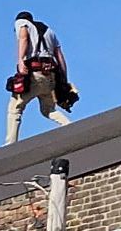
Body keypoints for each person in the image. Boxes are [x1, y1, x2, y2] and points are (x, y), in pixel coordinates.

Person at [5, 13, 72, 145]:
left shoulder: (22, 22)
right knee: (48, 110)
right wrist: (64, 80)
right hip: (49, 77)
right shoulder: (50, 31)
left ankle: (10, 144)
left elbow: (23, 37)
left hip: (34, 75)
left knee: (15, 108)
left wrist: (20, 60)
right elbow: (60, 57)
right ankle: (68, 125)